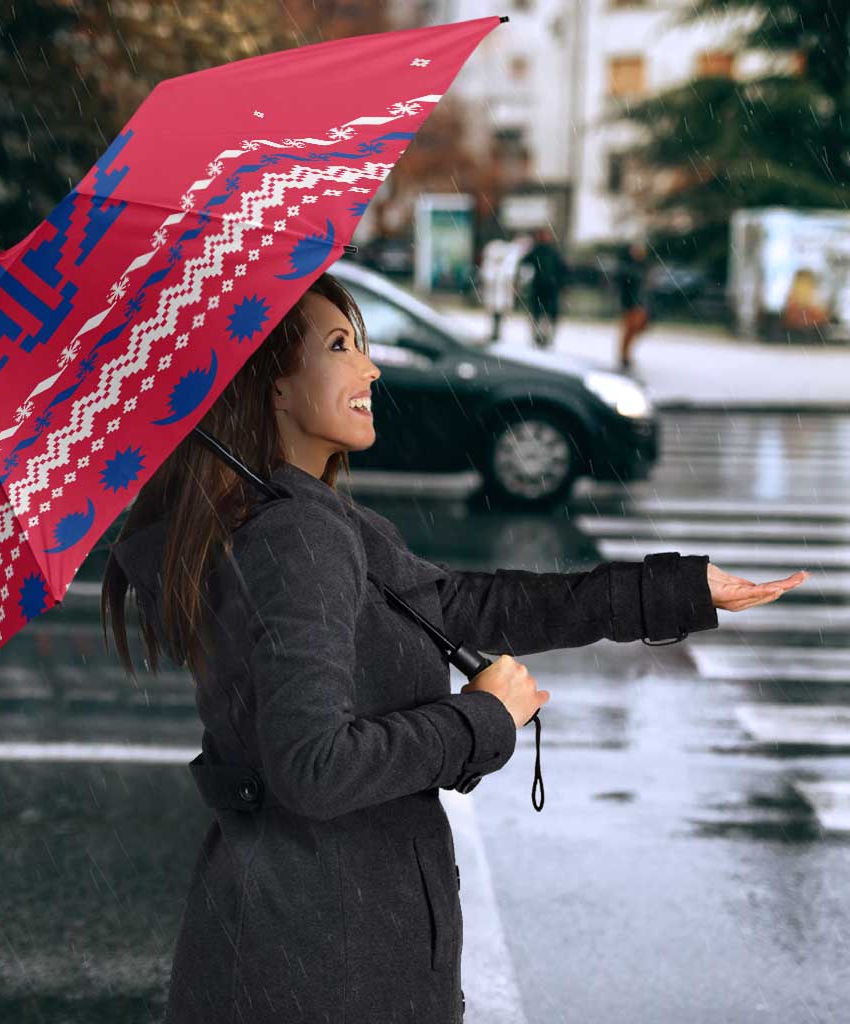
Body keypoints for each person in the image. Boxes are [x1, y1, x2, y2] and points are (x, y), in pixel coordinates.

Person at [101, 270, 796, 1024]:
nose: (369, 368)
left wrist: (675, 592)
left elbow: (462, 604)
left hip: (300, 942)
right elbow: (314, 768)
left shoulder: (297, 517)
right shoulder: (295, 537)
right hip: (328, 963)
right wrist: (483, 719)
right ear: (271, 386)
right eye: (340, 346)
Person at [518, 226, 568, 349]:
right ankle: (539, 337)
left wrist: (561, 284)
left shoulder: (551, 252)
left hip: (549, 288)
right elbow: (524, 264)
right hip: (541, 288)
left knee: (546, 315)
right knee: (539, 314)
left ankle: (545, 337)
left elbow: (562, 270)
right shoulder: (538, 251)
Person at [616, 239, 652, 370]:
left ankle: (625, 354)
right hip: (631, 303)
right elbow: (625, 286)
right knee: (630, 329)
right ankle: (624, 355)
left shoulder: (643, 266)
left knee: (638, 328)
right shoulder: (628, 267)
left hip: (640, 303)